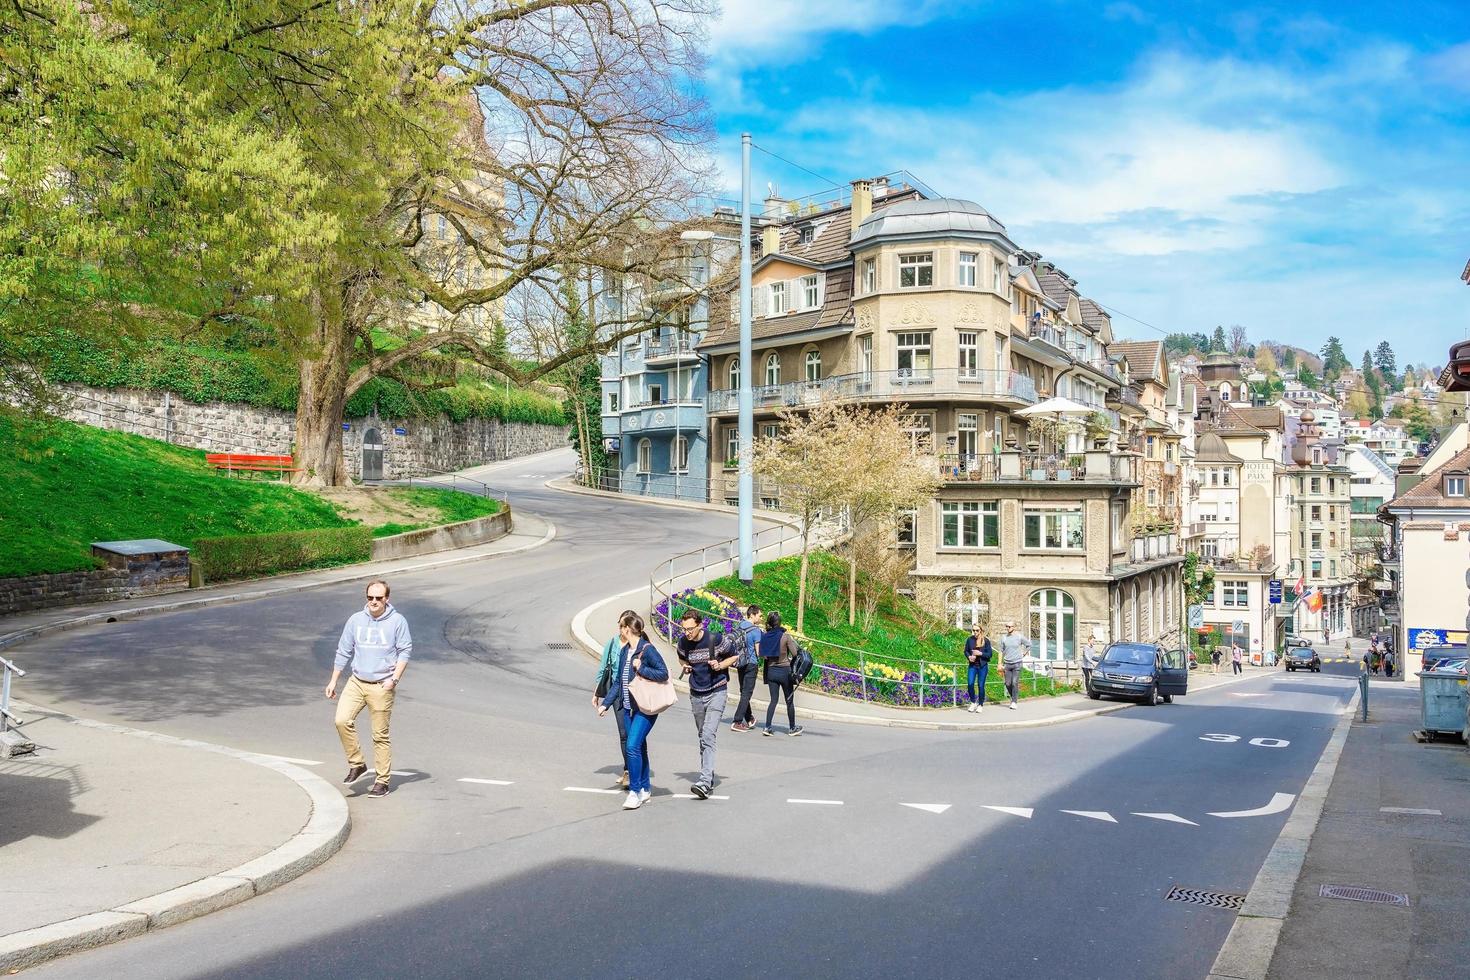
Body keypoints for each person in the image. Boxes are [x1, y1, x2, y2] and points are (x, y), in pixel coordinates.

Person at [327, 579, 412, 798]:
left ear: (387, 599)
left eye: (378, 598)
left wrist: (394, 680)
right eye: (370, 598)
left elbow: (405, 651)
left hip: (382, 685)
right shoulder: (356, 620)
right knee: (341, 720)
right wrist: (334, 680)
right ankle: (358, 764)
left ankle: (382, 781)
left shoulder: (397, 621)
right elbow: (344, 650)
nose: (373, 602)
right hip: (356, 681)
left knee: (379, 736)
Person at [598, 611, 669, 810]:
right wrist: (606, 703)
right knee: (639, 747)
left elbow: (663, 672)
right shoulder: (624, 651)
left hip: (645, 708)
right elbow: (618, 681)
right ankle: (645, 788)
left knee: (631, 747)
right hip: (628, 707)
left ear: (627, 629)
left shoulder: (647, 650)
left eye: (620, 625)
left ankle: (635, 792)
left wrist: (641, 668)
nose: (619, 629)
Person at [676, 611, 739, 799]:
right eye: (684, 629)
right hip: (696, 693)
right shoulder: (683, 643)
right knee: (702, 735)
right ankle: (708, 776)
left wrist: (720, 666)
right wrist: (685, 665)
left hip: (717, 690)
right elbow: (681, 656)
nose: (687, 632)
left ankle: (704, 781)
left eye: (690, 629)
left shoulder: (715, 639)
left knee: (708, 734)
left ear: (700, 625)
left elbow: (734, 656)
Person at [593, 609, 640, 789]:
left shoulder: (640, 644)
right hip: (617, 693)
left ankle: (635, 770)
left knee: (634, 734)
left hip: (637, 694)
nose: (620, 629)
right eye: (619, 625)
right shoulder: (612, 644)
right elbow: (604, 669)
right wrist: (597, 693)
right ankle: (628, 770)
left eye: (623, 625)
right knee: (623, 733)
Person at [758, 610, 802, 736]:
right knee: (789, 701)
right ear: (780, 622)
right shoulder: (785, 637)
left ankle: (767, 727)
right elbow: (794, 654)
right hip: (785, 672)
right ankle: (792, 728)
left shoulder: (765, 636)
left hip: (771, 671)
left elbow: (764, 656)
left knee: (773, 700)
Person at [730, 605, 763, 732]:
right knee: (747, 693)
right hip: (751, 663)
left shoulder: (740, 625)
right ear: (752, 615)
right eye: (760, 615)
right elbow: (758, 652)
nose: (761, 618)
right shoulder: (756, 631)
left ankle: (749, 718)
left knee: (743, 691)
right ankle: (737, 721)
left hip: (740, 661)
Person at [999, 621, 1031, 710]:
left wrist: (1024, 653)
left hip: (1017, 663)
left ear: (1014, 627)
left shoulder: (1019, 637)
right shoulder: (1004, 638)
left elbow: (1028, 645)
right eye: (1006, 626)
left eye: (1009, 626)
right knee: (1008, 683)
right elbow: (1000, 651)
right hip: (1007, 664)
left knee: (1014, 682)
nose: (1008, 628)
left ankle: (1014, 701)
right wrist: (999, 663)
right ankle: (1014, 696)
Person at [964, 624, 993, 713]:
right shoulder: (970, 639)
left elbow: (990, 654)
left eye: (977, 630)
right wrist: (969, 657)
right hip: (972, 666)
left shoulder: (986, 641)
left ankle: (980, 704)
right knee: (970, 684)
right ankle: (973, 702)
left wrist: (980, 654)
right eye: (973, 630)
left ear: (981, 630)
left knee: (981, 686)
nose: (975, 632)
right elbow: (966, 651)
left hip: (982, 666)